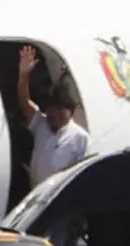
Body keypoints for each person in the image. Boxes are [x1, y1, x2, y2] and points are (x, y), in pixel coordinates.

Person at [18, 45, 90, 187]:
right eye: (52, 109)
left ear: (71, 111)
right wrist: (23, 74)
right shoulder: (41, 124)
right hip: (35, 194)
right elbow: (24, 101)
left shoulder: (79, 138)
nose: (55, 115)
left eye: (60, 110)